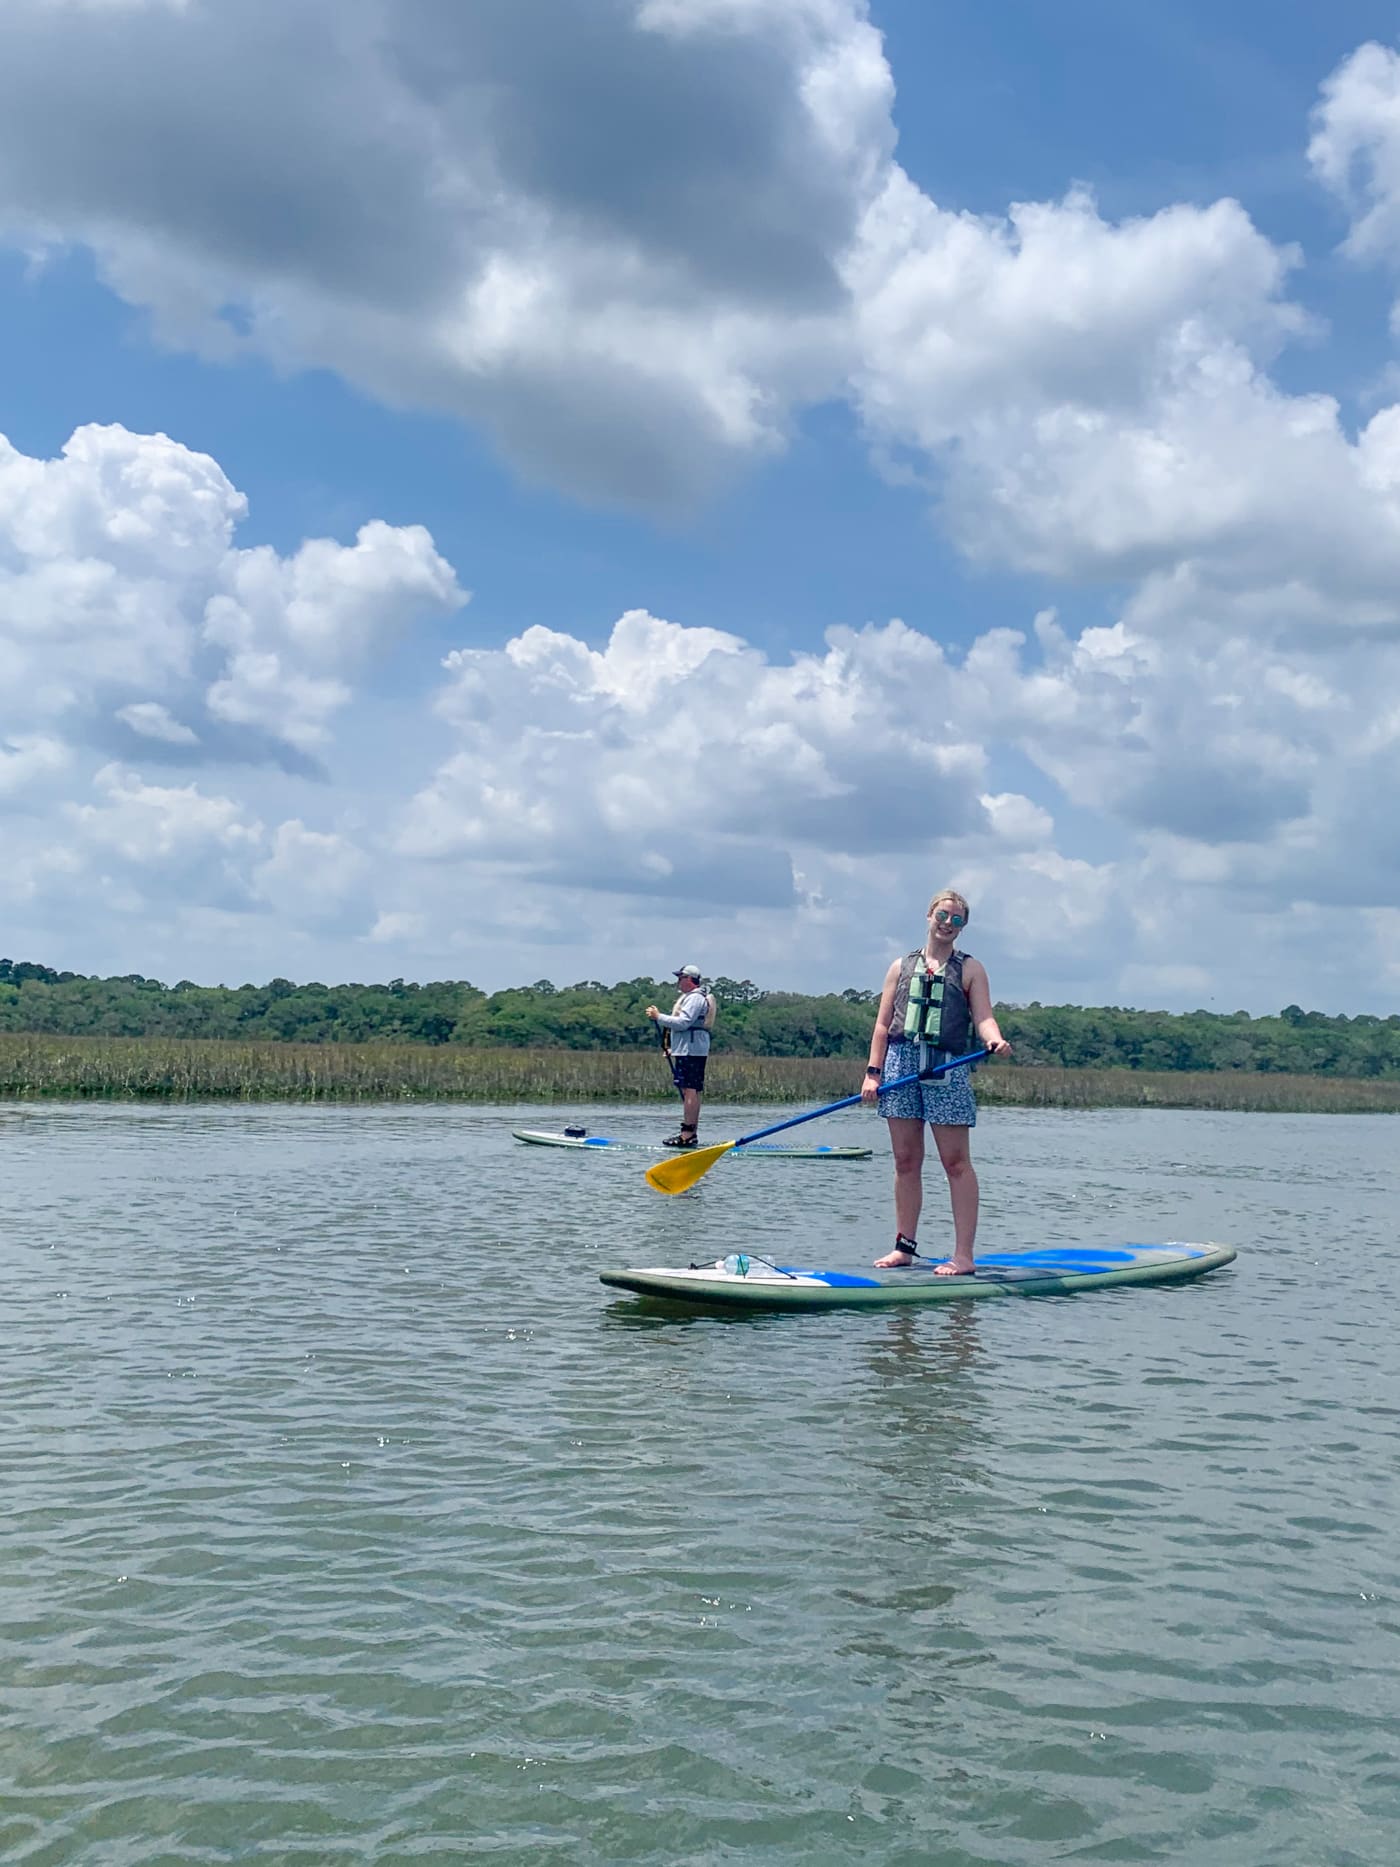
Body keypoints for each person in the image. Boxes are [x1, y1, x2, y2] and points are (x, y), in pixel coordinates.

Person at [859, 890, 1011, 1275]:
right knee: (906, 1160)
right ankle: (903, 1247)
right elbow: (881, 1025)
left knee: (956, 1162)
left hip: (947, 1067)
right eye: (943, 915)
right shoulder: (900, 966)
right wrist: (872, 1074)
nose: (948, 924)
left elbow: (984, 1018)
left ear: (963, 926)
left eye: (957, 920)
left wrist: (993, 1038)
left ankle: (963, 1256)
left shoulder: (971, 969)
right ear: (929, 915)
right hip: (901, 1066)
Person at [646, 964, 711, 1147]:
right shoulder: (690, 997)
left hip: (692, 1050)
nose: (678, 981)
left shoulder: (695, 998)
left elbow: (683, 1023)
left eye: (681, 978)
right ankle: (690, 1133)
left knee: (690, 1089)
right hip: (687, 1049)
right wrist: (671, 1048)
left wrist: (658, 1016)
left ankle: (687, 1134)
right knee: (689, 1089)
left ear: (689, 979)